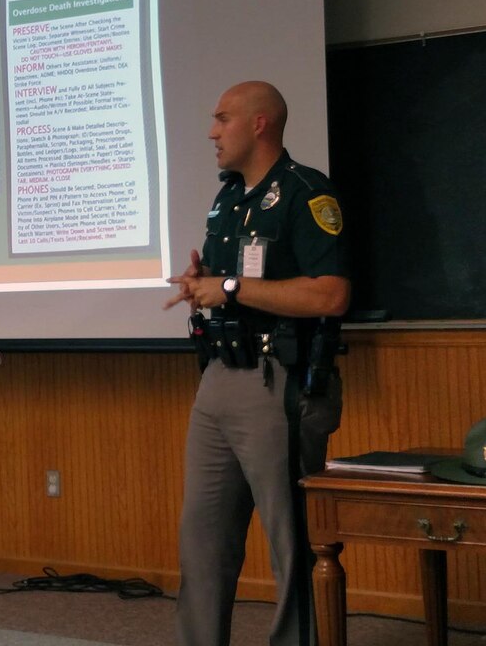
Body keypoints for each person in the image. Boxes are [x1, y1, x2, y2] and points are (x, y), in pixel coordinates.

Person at [164, 80, 351, 646]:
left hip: (280, 386)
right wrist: (203, 286)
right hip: (219, 380)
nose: (212, 132)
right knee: (202, 542)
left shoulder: (305, 194)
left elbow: (330, 295)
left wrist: (229, 286)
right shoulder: (227, 200)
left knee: (290, 544)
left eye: (222, 119)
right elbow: (230, 288)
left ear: (260, 124)